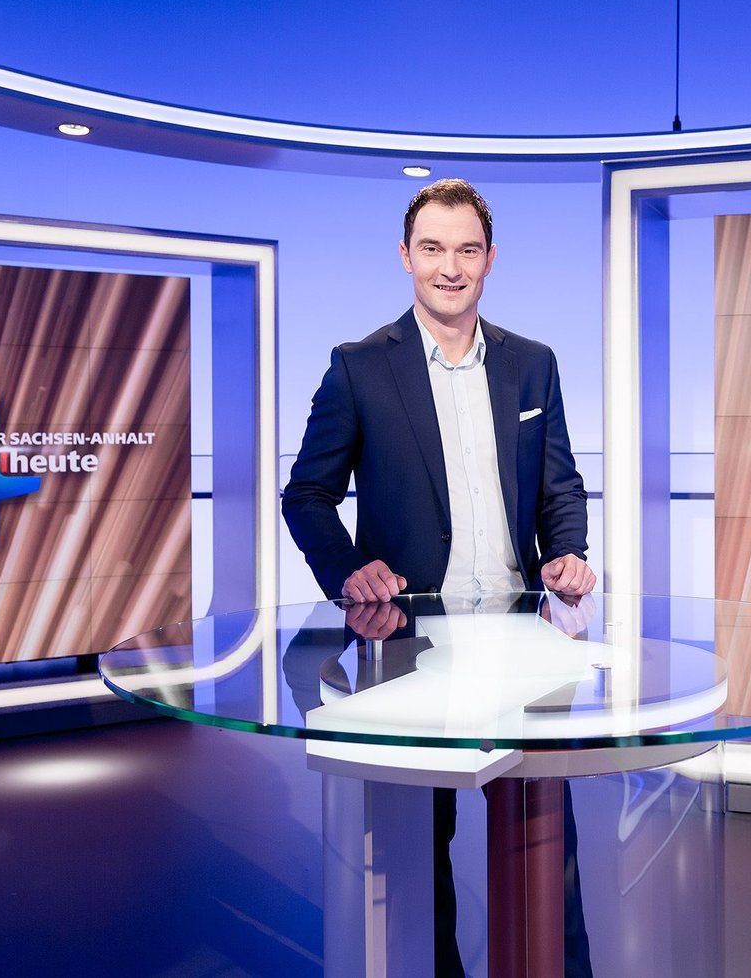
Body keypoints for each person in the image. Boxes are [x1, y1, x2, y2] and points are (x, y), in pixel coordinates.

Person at [282, 178, 596, 977]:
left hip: (524, 648)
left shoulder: (533, 364)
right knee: (418, 859)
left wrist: (568, 549)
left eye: (466, 250)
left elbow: (560, 487)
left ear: (490, 259)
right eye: (432, 249)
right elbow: (307, 494)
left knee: (545, 852)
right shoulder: (358, 367)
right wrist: (349, 569)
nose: (449, 267)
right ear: (405, 256)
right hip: (408, 651)